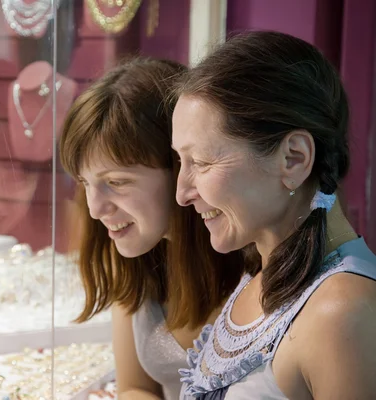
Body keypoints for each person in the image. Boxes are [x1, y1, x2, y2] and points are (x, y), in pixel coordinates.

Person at [172, 31, 376, 399]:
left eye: (200, 162)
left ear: (293, 158)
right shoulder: (263, 274)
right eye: (180, 161)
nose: (182, 193)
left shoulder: (342, 311)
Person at [59, 57, 246, 400]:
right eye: (85, 182)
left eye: (116, 182)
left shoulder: (252, 262)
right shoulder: (133, 256)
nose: (96, 209)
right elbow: (135, 388)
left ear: (182, 168)